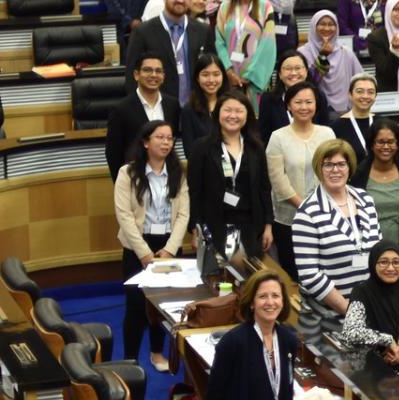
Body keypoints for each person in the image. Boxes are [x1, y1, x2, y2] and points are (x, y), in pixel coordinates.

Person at [113, 121, 187, 369]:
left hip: (168, 246)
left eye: (169, 138)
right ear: (146, 142)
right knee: (135, 307)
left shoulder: (178, 172)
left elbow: (183, 215)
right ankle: (130, 360)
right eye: (160, 138)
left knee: (163, 305)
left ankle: (157, 353)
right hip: (138, 246)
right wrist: (144, 253)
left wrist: (169, 250)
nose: (166, 142)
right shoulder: (128, 173)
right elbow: (123, 215)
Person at [291, 139, 382, 332]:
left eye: (341, 164)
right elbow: (309, 275)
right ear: (319, 168)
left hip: (371, 308)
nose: (335, 170)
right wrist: (350, 311)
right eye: (328, 165)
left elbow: (379, 253)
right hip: (328, 319)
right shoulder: (308, 212)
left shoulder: (365, 200)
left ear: (349, 167)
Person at [265, 81, 340, 273]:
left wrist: (320, 209)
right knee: (294, 274)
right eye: (298, 102)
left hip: (326, 218)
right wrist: (307, 208)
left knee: (325, 271)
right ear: (288, 105)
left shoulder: (327, 133)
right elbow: (278, 181)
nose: (304, 107)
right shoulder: (278, 137)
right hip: (289, 221)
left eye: (309, 102)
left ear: (316, 104)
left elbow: (335, 172)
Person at [187, 93, 274, 259]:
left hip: (251, 226)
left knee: (249, 278)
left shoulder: (256, 148)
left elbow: (264, 189)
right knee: (219, 278)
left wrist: (268, 225)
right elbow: (194, 191)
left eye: (239, 111)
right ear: (217, 113)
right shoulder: (202, 147)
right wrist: (195, 229)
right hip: (214, 225)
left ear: (247, 115)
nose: (233, 116)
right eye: (227, 110)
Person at [334, 242, 399, 388]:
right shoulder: (362, 292)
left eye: (396, 262)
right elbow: (351, 331)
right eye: (383, 262)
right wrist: (387, 340)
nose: (390, 268)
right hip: (369, 374)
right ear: (373, 263)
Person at [206, 269, 301, 400]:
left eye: (275, 296)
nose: (270, 302)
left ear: (283, 301)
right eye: (263, 296)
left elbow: (286, 390)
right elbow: (214, 395)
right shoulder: (232, 343)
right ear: (251, 303)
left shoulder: (288, 340)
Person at [351, 120, 399, 282]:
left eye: (391, 142)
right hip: (367, 256)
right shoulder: (357, 175)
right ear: (371, 144)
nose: (386, 147)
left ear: (398, 144)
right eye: (381, 142)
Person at [106, 55, 182, 177]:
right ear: (136, 75)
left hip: (166, 178)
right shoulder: (121, 109)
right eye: (147, 70)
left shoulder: (172, 105)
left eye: (158, 71)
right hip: (135, 179)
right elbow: (113, 154)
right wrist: (122, 184)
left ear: (163, 76)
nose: (153, 75)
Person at [126, 0, 215, 104]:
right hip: (157, 109)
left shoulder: (203, 31)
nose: (180, 1)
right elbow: (131, 76)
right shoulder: (143, 32)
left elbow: (211, 68)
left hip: (194, 109)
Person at [300, 11, 363, 121]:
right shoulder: (303, 53)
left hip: (346, 113)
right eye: (322, 24)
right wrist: (323, 57)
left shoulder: (345, 52)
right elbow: (308, 83)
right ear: (314, 26)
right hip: (315, 114)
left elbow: (361, 80)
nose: (327, 28)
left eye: (331, 24)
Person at [213, 0, 276, 93]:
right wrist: (228, 71)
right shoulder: (224, 7)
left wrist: (251, 75)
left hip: (256, 79)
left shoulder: (265, 6)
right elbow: (219, 41)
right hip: (229, 78)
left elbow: (268, 43)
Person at [179, 53, 229, 143]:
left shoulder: (233, 104)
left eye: (216, 74)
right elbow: (190, 150)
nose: (211, 80)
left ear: (223, 76)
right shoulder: (189, 110)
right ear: (197, 78)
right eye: (205, 75)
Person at [330, 74, 382, 160]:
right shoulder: (336, 127)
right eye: (360, 91)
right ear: (350, 95)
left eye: (371, 92)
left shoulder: (383, 123)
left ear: (375, 96)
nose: (365, 96)